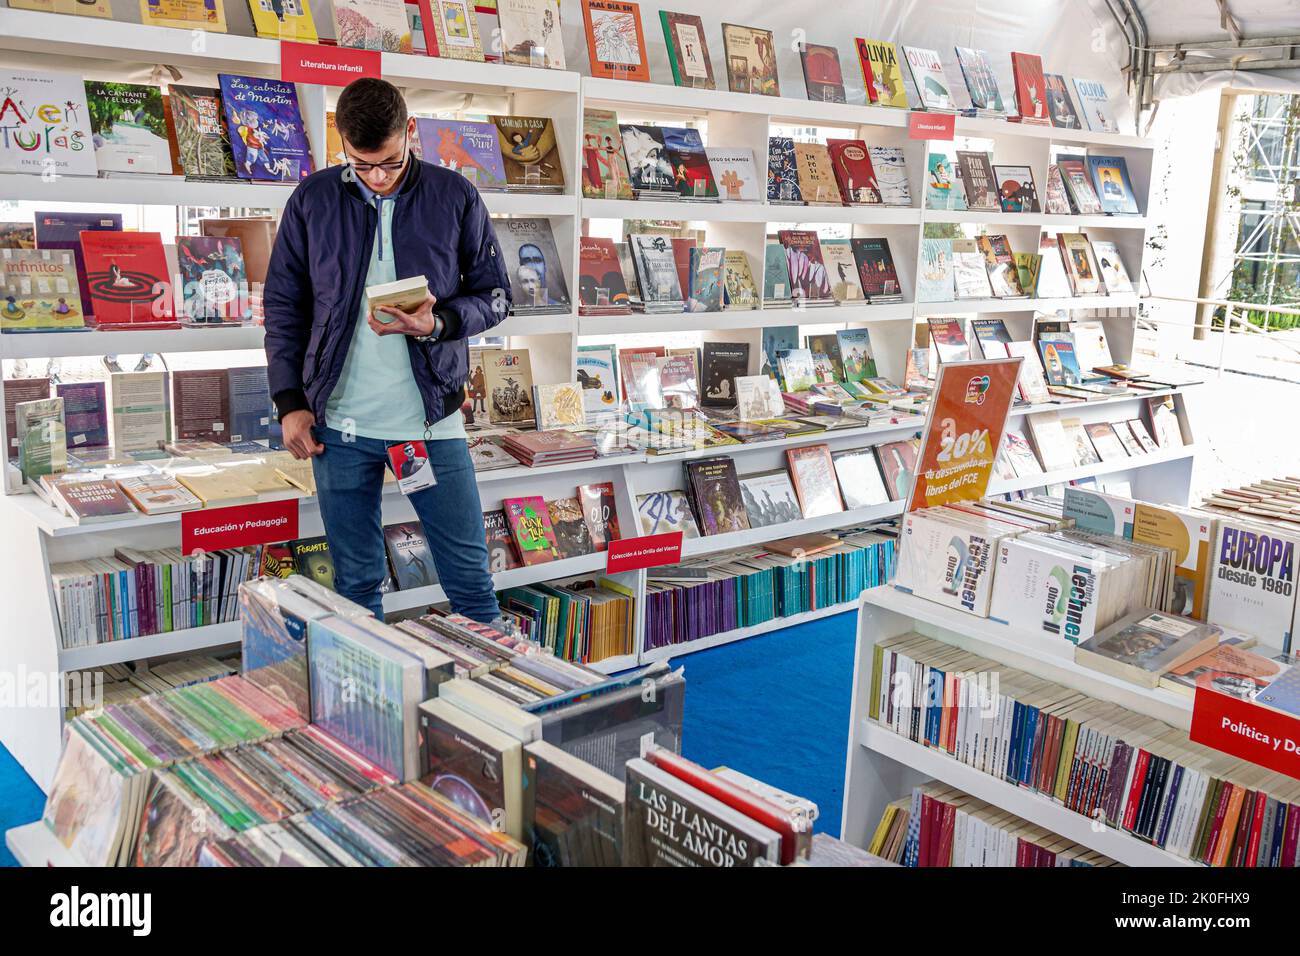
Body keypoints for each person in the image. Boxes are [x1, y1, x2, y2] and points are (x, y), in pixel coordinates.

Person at [263, 77, 511, 622]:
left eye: (391, 163)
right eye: (361, 164)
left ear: (411, 133)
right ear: (342, 145)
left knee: (470, 581)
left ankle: (501, 701)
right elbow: (284, 308)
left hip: (430, 424)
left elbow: (496, 297)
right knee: (356, 587)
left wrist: (440, 322)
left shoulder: (455, 196)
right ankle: (368, 703)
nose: (376, 178)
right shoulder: (312, 199)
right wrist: (289, 402)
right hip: (339, 431)